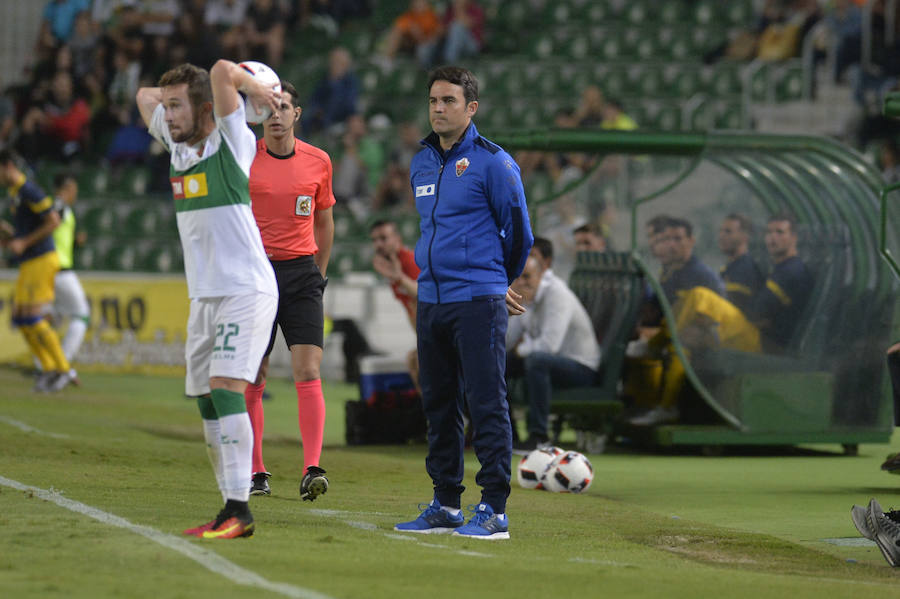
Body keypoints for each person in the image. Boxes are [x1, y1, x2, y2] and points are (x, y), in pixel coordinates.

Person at [136, 60, 280, 539]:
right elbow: (142, 96)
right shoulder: (178, 148)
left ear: (204, 109)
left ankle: (241, 509)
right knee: (204, 399)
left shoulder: (231, 139)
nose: (168, 115)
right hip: (205, 297)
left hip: (245, 288)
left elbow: (220, 70)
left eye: (179, 106)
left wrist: (250, 87)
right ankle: (228, 507)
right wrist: (173, 98)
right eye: (169, 106)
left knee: (224, 388)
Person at [393, 66, 533, 540]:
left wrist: (498, 280)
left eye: (449, 101)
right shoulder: (421, 162)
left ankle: (494, 507)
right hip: (431, 299)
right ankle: (446, 503)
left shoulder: (494, 162)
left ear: (471, 108)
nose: (438, 108)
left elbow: (520, 231)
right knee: (438, 402)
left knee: (486, 402)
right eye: (433, 100)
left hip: (477, 299)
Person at [243, 80, 334, 500]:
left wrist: (319, 273)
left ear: (297, 114)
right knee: (254, 375)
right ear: (259, 115)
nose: (276, 115)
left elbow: (324, 220)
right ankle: (256, 470)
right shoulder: (244, 158)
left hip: (301, 276)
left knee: (308, 370)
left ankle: (312, 467)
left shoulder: (319, 162)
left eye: (284, 108)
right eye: (269, 108)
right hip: (255, 275)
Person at [507, 255, 600, 450]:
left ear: (540, 276)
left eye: (527, 277)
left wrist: (520, 349)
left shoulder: (557, 295)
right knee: (497, 363)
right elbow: (508, 340)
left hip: (581, 367)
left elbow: (550, 346)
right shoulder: (525, 296)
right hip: (546, 361)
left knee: (536, 360)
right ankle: (506, 434)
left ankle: (539, 436)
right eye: (517, 277)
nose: (522, 282)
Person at [0, 149, 73, 392]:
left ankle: (62, 370)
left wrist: (24, 242)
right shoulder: (14, 193)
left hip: (42, 259)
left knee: (34, 318)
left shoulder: (29, 190)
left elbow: (53, 220)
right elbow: (23, 233)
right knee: (21, 319)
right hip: (30, 261)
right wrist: (10, 237)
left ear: (8, 166)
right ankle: (49, 369)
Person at [370, 219, 420, 391]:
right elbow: (410, 309)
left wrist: (399, 278)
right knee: (413, 361)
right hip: (427, 333)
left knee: (418, 362)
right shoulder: (394, 267)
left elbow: (424, 295)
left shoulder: (411, 261)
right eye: (375, 240)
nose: (378, 244)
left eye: (383, 238)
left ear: (397, 239)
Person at [49, 173, 90, 384]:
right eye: (73, 190)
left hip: (49, 271)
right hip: (61, 271)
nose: (75, 194)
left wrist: (74, 243)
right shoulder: (59, 207)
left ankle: (46, 366)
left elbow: (56, 237)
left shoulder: (60, 208)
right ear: (66, 189)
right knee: (82, 316)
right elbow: (47, 230)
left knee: (50, 320)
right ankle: (62, 368)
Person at [303, 46, 359, 135]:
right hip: (318, 120)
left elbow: (349, 105)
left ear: (346, 65)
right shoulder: (324, 80)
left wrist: (335, 83)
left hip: (340, 121)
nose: (335, 66)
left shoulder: (351, 82)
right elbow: (314, 99)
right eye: (334, 62)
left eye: (339, 63)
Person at [717, 212, 764, 315]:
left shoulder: (746, 269)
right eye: (721, 231)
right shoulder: (729, 268)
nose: (722, 236)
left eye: (728, 232)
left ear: (745, 237)